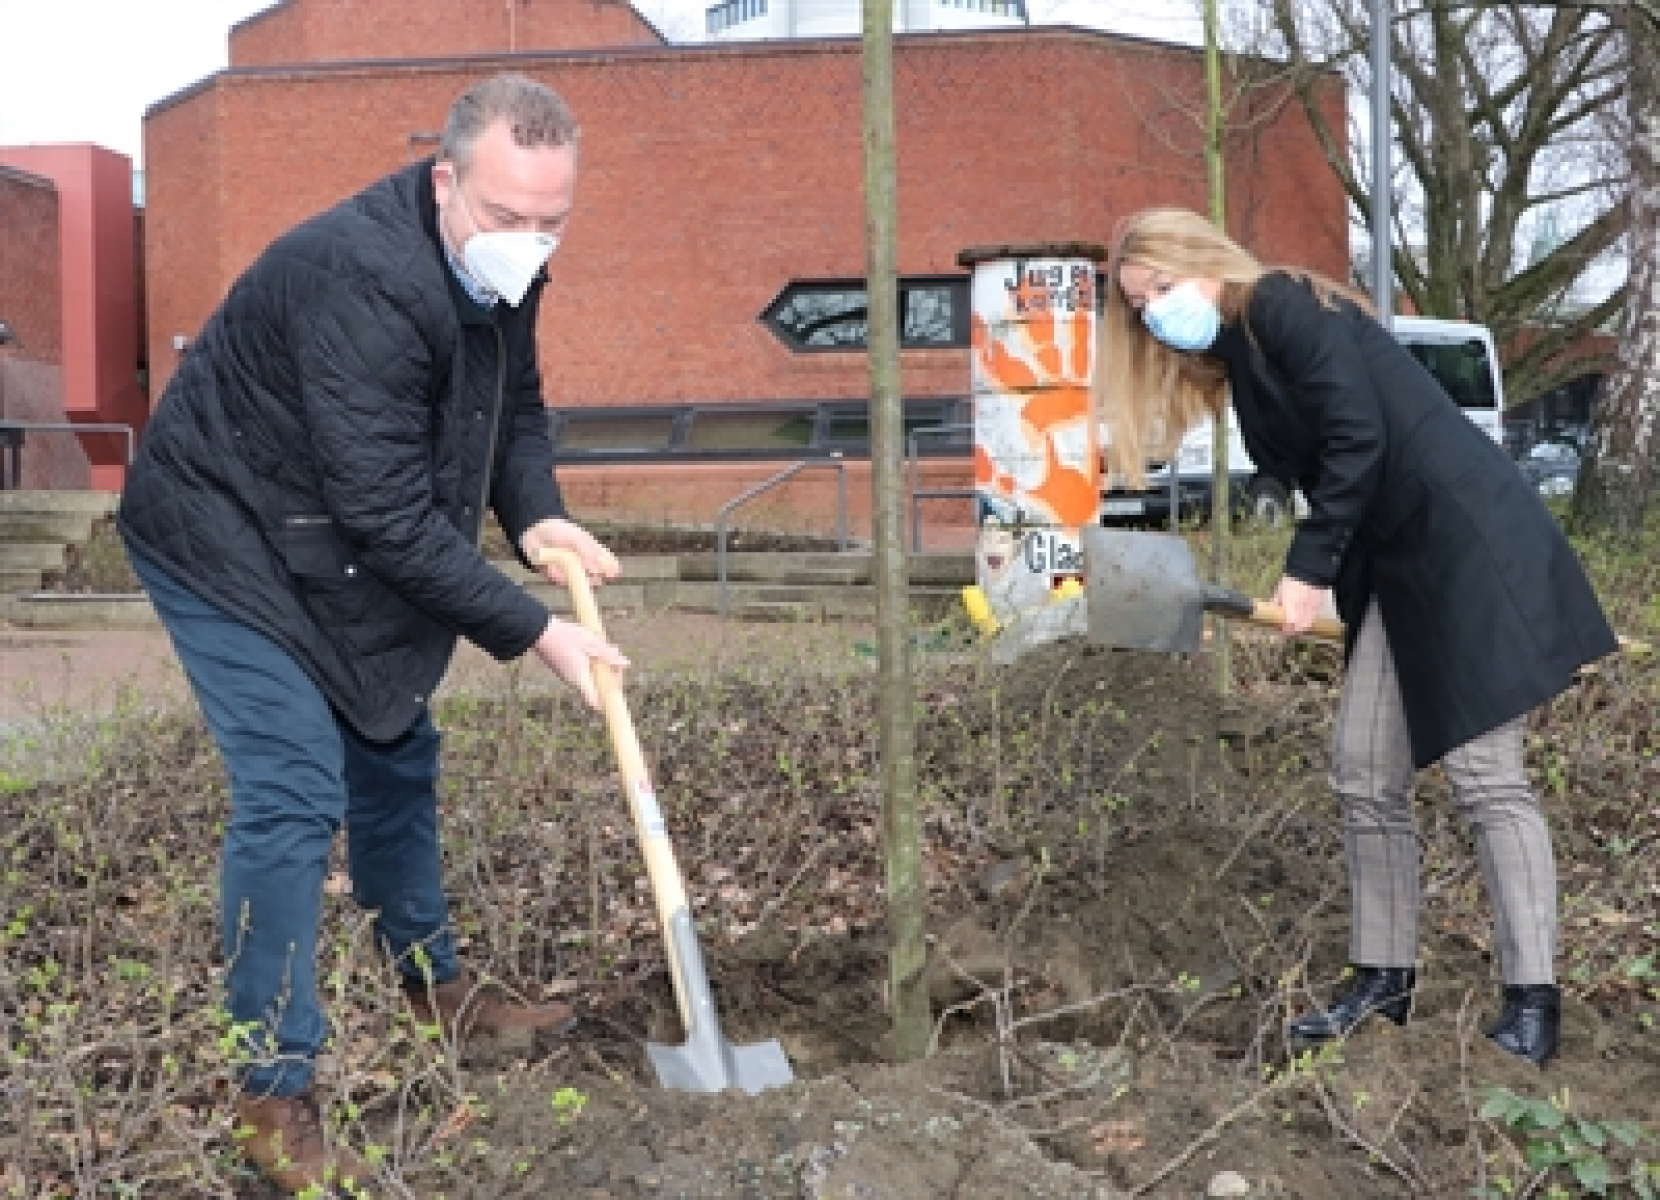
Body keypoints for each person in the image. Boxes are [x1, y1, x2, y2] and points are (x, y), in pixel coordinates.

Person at [118, 73, 629, 1194]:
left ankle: (430, 985)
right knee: (296, 787)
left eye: (555, 221)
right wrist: (536, 633)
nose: (531, 244)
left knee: (394, 743)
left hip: (320, 527)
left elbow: (514, 412)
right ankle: (270, 1089)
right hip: (217, 532)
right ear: (445, 180)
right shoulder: (360, 277)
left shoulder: (498, 264)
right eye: (507, 218)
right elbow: (388, 513)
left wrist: (536, 509)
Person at [1095, 206, 1618, 1069]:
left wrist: (1304, 571)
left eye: (1159, 287)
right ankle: (1384, 980)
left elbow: (1357, 437)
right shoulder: (1238, 354)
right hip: (1394, 566)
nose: (1154, 311)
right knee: (1363, 772)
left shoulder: (1284, 305)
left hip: (1464, 546)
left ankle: (1533, 1002)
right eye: (1140, 304)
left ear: (1200, 261)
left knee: (1487, 778)